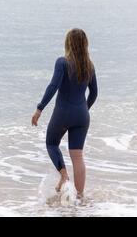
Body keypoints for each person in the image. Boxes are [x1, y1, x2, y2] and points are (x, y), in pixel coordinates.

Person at [31, 29, 98, 198]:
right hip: (82, 115)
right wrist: (83, 109)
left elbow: (53, 86)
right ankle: (80, 197)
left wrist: (39, 108)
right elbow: (94, 93)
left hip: (63, 113)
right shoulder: (89, 66)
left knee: (51, 143)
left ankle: (64, 175)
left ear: (68, 43)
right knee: (77, 156)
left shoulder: (62, 62)